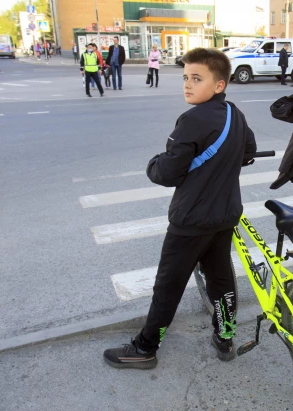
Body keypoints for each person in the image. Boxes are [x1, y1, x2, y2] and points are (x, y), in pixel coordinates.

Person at [103, 48, 257, 369]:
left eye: (196, 78)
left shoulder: (193, 119)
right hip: (224, 215)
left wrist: (154, 165)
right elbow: (249, 150)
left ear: (218, 85)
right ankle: (225, 336)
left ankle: (146, 347)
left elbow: (169, 172)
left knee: (168, 285)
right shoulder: (234, 114)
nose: (187, 84)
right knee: (220, 278)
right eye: (185, 77)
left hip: (191, 220)